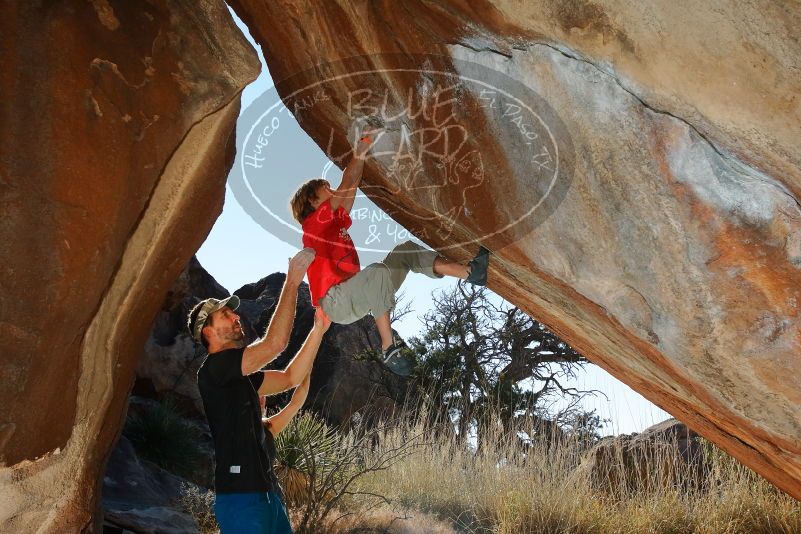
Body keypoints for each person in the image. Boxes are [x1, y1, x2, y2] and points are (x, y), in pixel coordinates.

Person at [289, 130, 489, 376]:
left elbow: (352, 186)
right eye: (326, 190)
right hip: (337, 301)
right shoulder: (313, 225)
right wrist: (363, 145)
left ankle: (471, 272)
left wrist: (362, 157)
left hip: (361, 292)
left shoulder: (334, 222)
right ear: (313, 203)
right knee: (377, 272)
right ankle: (388, 347)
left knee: (404, 252)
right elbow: (346, 183)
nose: (332, 192)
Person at [187, 248, 330, 534]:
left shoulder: (243, 378)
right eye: (225, 315)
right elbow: (275, 344)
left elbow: (291, 378)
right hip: (241, 499)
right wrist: (291, 283)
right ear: (208, 332)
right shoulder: (214, 370)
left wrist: (319, 330)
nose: (235, 316)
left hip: (268, 497)